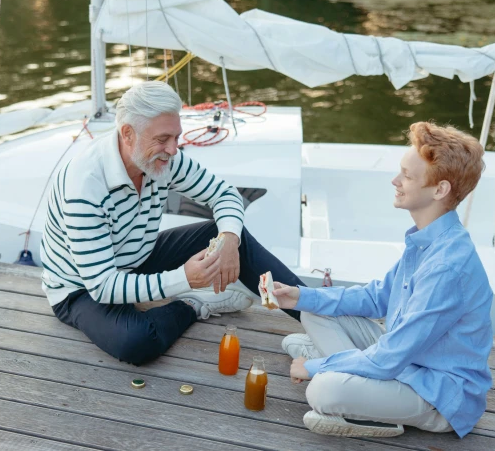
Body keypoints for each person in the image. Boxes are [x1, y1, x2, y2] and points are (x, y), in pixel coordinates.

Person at [40, 80, 307, 365]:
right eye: (163, 139)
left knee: (229, 233)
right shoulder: (85, 185)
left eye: (176, 137)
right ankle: (194, 303)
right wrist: (184, 280)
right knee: (135, 342)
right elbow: (103, 286)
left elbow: (225, 194)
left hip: (137, 260)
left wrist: (229, 238)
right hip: (81, 288)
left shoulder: (163, 159)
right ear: (128, 134)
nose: (173, 149)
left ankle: (317, 315)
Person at [273, 121, 492, 439]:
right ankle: (343, 362)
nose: (395, 181)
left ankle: (352, 388)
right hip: (405, 363)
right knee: (314, 310)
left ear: (440, 190)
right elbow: (377, 298)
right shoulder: (428, 240)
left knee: (321, 390)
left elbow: (391, 355)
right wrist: (300, 296)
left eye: (407, 175)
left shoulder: (447, 266)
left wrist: (313, 368)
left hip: (438, 395)